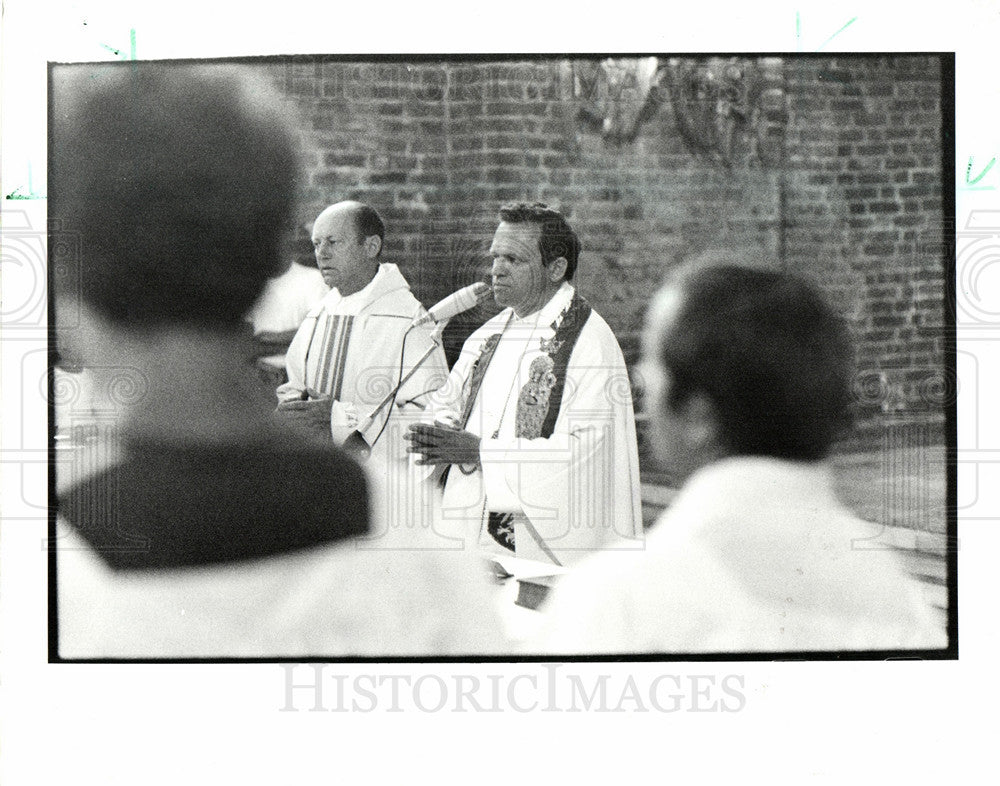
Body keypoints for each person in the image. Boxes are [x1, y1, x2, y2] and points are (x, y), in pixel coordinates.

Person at [51, 62, 503, 658]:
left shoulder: (53, 570)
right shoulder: (409, 526)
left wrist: (340, 417)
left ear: (67, 277)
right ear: (272, 257)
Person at [537, 260, 947, 653]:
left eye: (651, 363)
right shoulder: (904, 604)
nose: (639, 380)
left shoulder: (615, 600)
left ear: (699, 416)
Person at [406, 202, 643, 568]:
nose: (496, 270)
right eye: (495, 256)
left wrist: (481, 453)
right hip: (467, 524)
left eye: (513, 260)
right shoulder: (490, 334)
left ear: (556, 268)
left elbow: (586, 456)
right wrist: (438, 432)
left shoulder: (589, 344)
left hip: (539, 545)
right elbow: (447, 404)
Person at [275, 201, 449, 531]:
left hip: (381, 493)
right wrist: (293, 409)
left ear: (371, 246)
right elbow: (293, 385)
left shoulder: (410, 323)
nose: (321, 254)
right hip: (317, 481)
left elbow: (432, 422)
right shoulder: (319, 314)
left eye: (333, 242)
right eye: (316, 243)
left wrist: (341, 418)